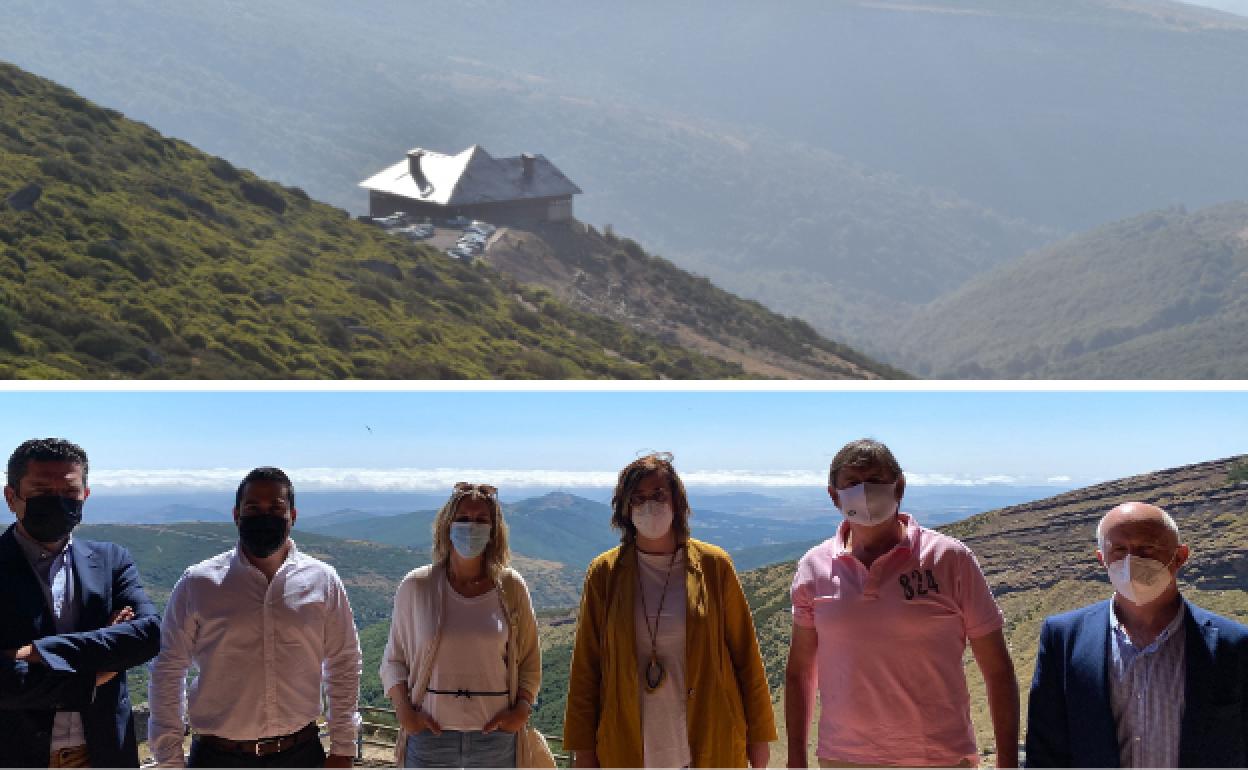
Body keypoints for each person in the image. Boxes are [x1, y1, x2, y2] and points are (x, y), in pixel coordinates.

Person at [785, 438, 1018, 768]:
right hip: (844, 757)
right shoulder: (814, 566)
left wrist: (1006, 762)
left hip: (939, 757)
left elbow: (997, 668)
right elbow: (800, 671)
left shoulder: (949, 558)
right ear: (834, 496)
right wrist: (796, 759)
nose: (865, 491)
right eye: (853, 482)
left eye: (877, 480)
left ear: (900, 487)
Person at [563, 453, 776, 768]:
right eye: (638, 498)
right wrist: (583, 750)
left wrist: (759, 738)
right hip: (627, 747)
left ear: (677, 501)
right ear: (625, 508)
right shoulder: (604, 573)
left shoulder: (714, 566)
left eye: (658, 495)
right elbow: (586, 668)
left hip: (710, 740)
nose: (649, 505)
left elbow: (746, 657)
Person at [148, 467, 361, 768]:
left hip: (301, 753)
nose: (265, 515)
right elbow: (168, 669)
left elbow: (344, 662)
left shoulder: (322, 580)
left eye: (276, 508)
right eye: (253, 508)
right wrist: (169, 758)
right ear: (236, 515)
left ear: (293, 516)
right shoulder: (199, 582)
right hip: (217, 756)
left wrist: (343, 747)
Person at [1024, 501, 1248, 768]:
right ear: (1101, 559)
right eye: (1119, 550)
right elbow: (1045, 748)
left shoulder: (1233, 645)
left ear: (1179, 557)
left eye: (1147, 549)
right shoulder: (1064, 638)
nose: (1132, 561)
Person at [0, 438, 161, 769]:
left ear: (85, 496)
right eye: (42, 490)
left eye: (69, 493)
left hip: (103, 753)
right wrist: (100, 666)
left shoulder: (112, 560)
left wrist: (36, 652)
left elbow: (149, 635)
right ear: (11, 497)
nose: (57, 502)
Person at [379, 482, 541, 768]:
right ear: (447, 526)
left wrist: (521, 711)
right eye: (463, 519)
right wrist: (406, 714)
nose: (471, 527)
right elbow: (394, 660)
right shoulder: (417, 586)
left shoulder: (512, 587)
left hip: (496, 740)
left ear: (494, 531)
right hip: (429, 737)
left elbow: (529, 659)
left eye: (481, 520)